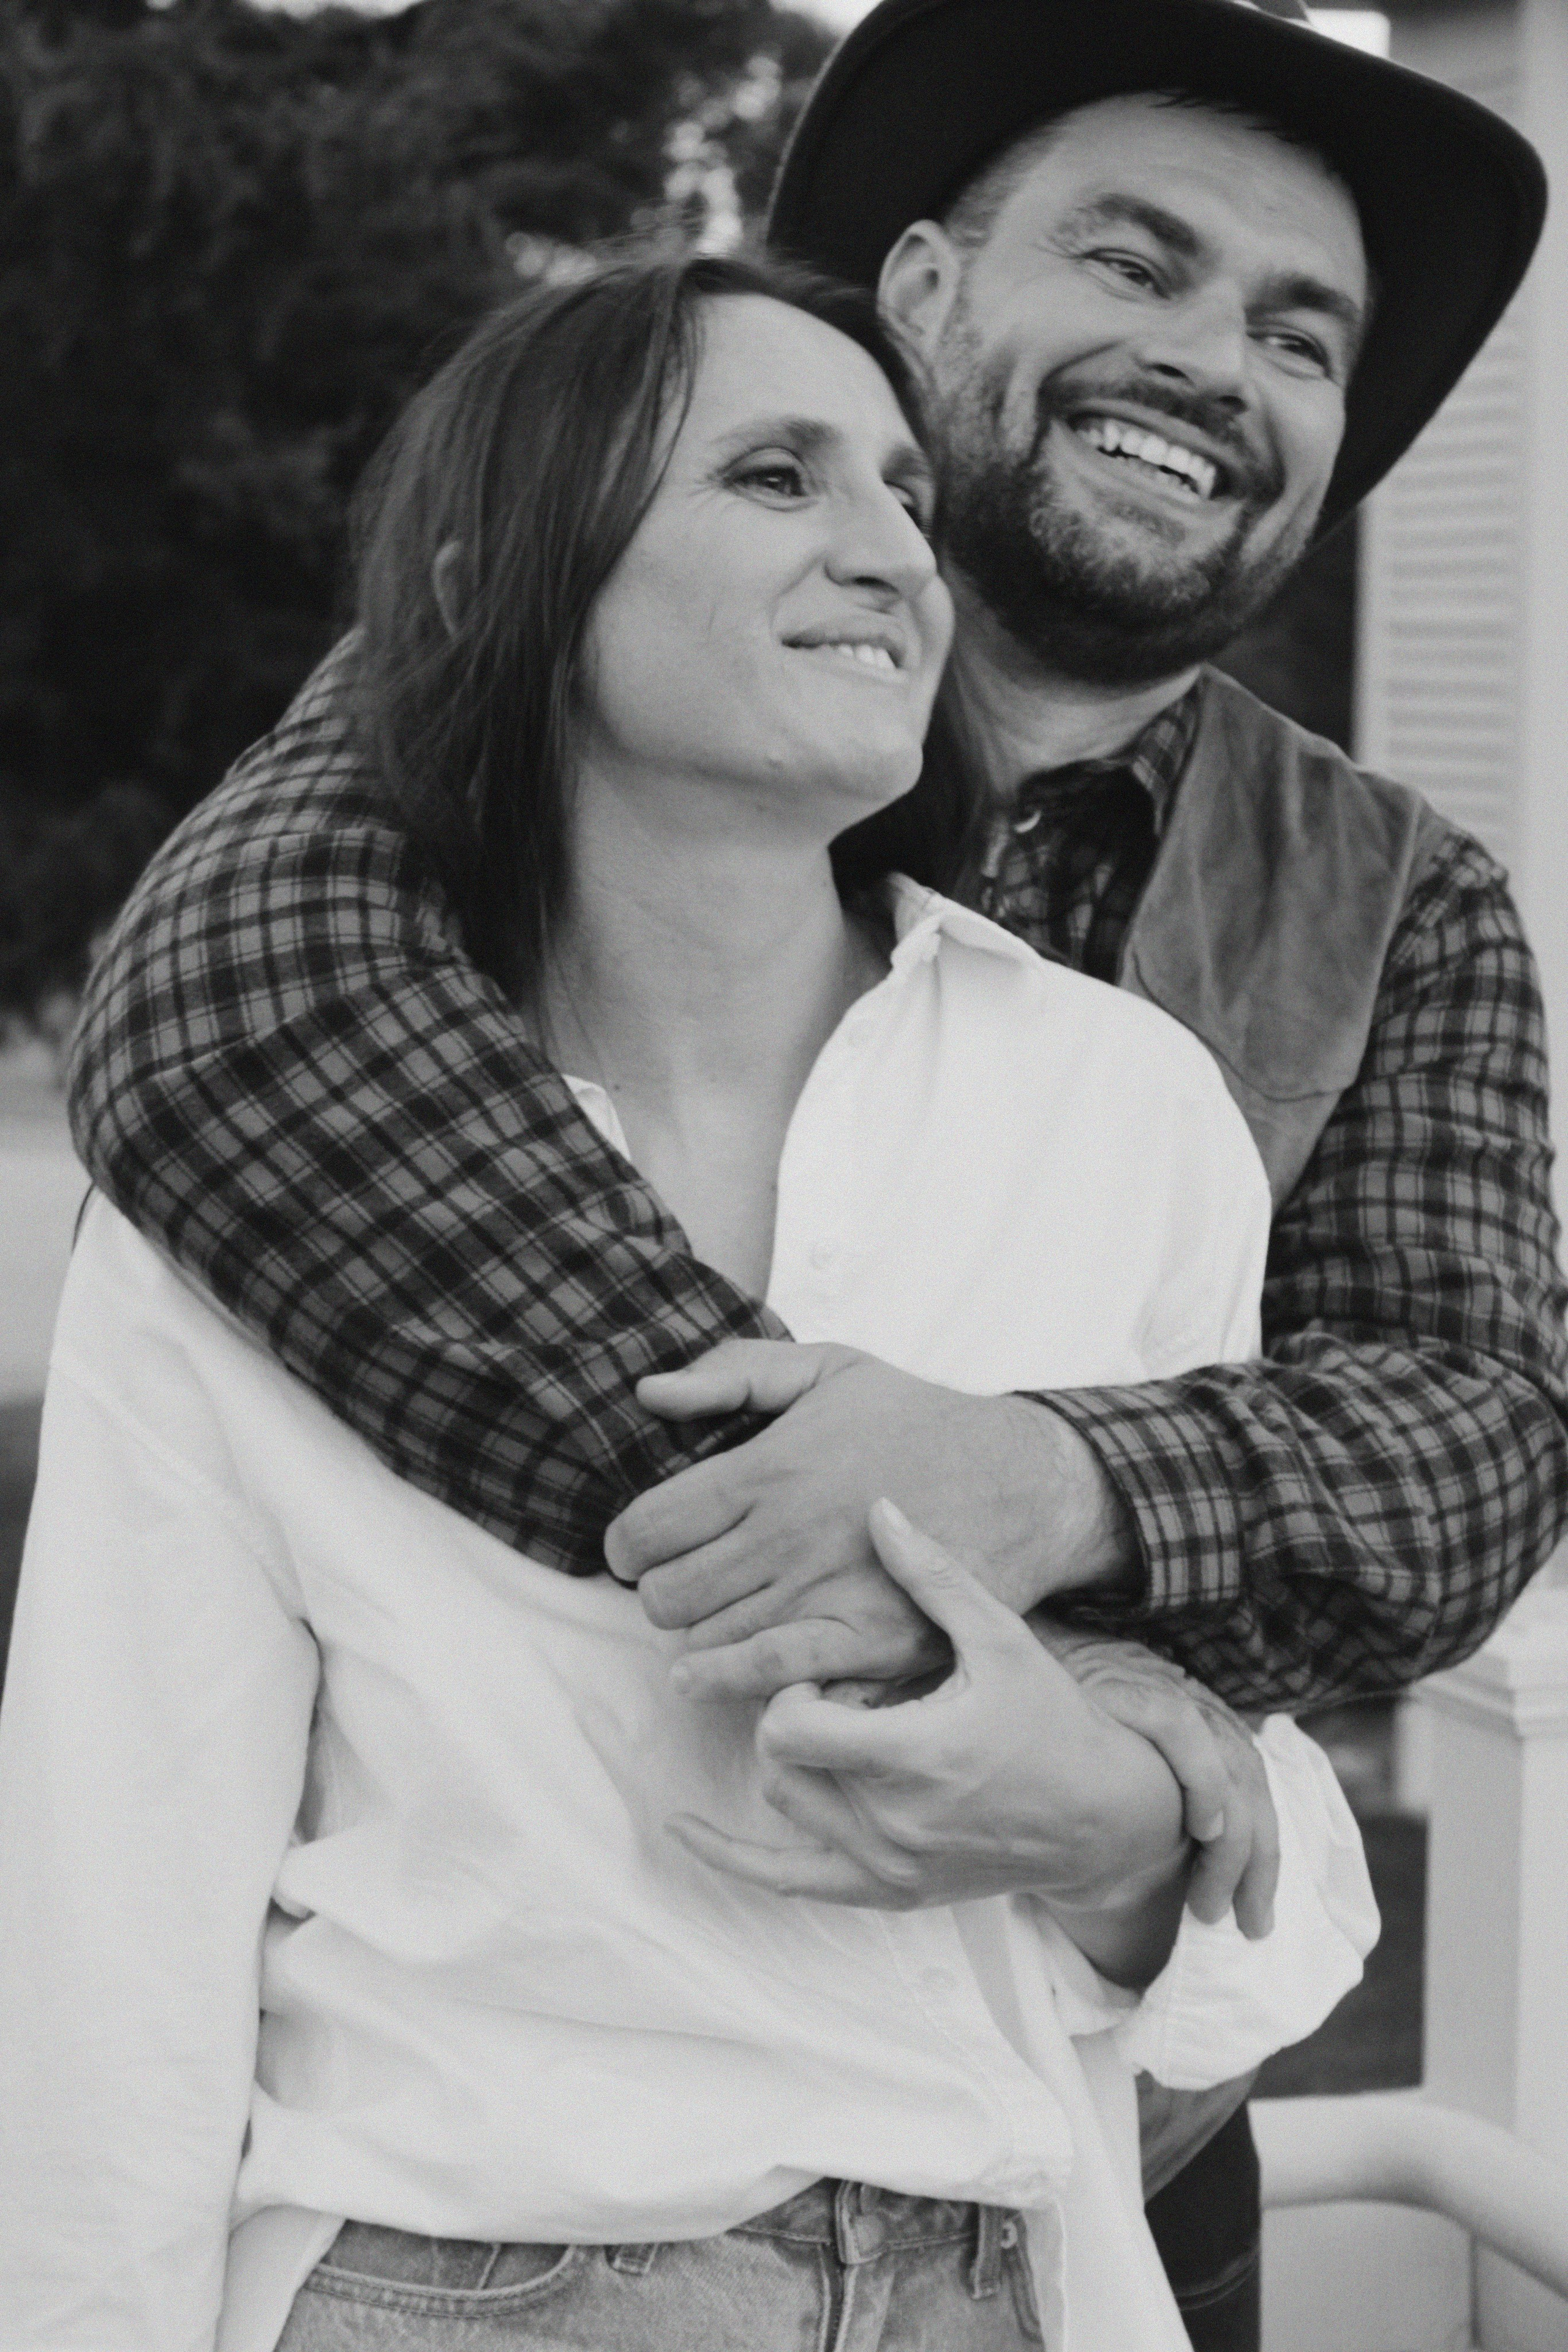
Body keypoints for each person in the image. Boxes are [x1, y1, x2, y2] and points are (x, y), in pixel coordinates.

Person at [61, 1, 1567, 2345]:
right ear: (930, 294)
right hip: (478, 2234)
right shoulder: (528, 719)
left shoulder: (1377, 911)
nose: (1213, 366)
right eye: (1138, 264)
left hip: (1100, 2186)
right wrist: (913, 1596)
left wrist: (1037, 1519)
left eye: (1299, 337)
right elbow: (233, 997)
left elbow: (1474, 1452)